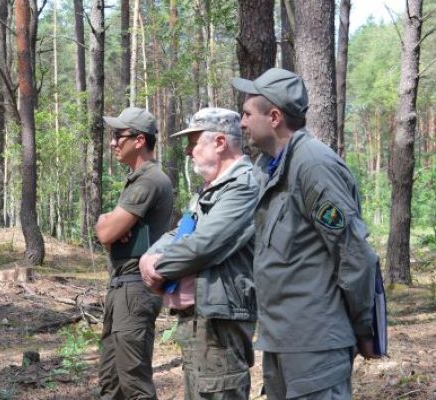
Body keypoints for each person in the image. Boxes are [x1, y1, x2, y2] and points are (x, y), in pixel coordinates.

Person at [232, 68, 377, 399]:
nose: (241, 122)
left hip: (315, 345)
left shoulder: (313, 165)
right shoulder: (269, 168)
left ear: (274, 117)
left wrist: (364, 326)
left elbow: (353, 253)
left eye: (246, 113)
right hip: (283, 340)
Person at [139, 107, 258, 400]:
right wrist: (148, 257)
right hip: (199, 316)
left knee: (219, 392)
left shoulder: (244, 186)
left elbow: (202, 245)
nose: (189, 151)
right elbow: (179, 233)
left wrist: (159, 267)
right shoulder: (210, 190)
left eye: (194, 142)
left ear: (219, 143)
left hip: (220, 319)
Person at [95, 107, 173, 399]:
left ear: (139, 140)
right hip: (121, 289)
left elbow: (105, 234)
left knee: (134, 384)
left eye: (118, 135)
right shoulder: (138, 179)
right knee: (111, 382)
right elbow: (106, 231)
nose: (113, 142)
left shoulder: (150, 180)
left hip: (135, 289)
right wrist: (107, 222)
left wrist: (108, 225)